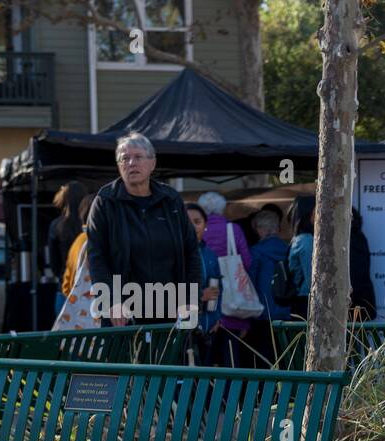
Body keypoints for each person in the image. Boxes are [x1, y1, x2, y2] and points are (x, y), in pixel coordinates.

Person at [86, 131, 201, 326]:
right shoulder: (105, 202)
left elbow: (191, 252)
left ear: (152, 163)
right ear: (119, 166)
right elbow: (96, 258)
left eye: (138, 157)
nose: (131, 163)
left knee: (170, 357)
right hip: (123, 311)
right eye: (125, 158)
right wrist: (112, 301)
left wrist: (190, 300)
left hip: (171, 310)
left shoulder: (171, 200)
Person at [198, 191, 257, 367]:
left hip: (207, 299)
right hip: (233, 300)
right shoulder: (233, 229)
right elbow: (246, 261)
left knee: (205, 355)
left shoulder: (199, 230)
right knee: (231, 354)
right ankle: (232, 393)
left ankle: (205, 393)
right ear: (222, 208)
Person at [247, 208, 291, 365]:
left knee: (264, 359)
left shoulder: (256, 252)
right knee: (285, 356)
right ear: (277, 229)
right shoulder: (288, 249)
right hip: (286, 311)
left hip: (263, 312)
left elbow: (250, 283)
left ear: (261, 230)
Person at [184, 202, 223, 364]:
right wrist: (200, 296)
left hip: (209, 329)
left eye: (197, 222)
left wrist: (218, 318)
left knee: (205, 380)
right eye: (187, 222)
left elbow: (219, 289)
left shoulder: (210, 254)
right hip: (185, 330)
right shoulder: (174, 254)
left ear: (205, 225)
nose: (193, 226)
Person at [48, 181, 86, 312]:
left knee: (64, 331)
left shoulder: (56, 226)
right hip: (88, 289)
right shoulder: (92, 226)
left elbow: (54, 265)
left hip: (65, 287)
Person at [288, 196, 315, 320]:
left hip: (303, 299)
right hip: (306, 300)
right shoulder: (306, 240)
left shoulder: (300, 238)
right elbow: (312, 277)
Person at [349, 207, 377, 318]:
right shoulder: (358, 236)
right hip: (359, 299)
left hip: (356, 300)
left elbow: (356, 272)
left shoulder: (354, 238)